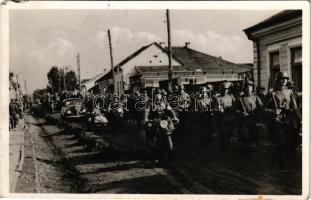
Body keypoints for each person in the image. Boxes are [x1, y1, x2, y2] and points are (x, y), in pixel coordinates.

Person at [265, 71, 302, 169]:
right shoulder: (272, 93)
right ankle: (282, 166)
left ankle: (274, 158)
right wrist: (273, 111)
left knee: (287, 144)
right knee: (282, 143)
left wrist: (300, 119)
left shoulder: (289, 92)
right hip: (276, 121)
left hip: (288, 121)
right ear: (278, 80)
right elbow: (264, 109)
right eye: (282, 79)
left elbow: (295, 107)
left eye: (285, 79)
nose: (284, 81)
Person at [236, 80, 263, 157]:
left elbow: (261, 108)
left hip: (254, 119)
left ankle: (249, 153)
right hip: (244, 121)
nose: (249, 88)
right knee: (245, 138)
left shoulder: (256, 97)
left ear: (252, 88)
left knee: (253, 136)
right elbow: (235, 110)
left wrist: (258, 113)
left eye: (250, 87)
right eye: (247, 87)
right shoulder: (240, 98)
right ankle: (244, 154)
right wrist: (241, 113)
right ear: (244, 88)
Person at [213, 81, 236, 151]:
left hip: (231, 118)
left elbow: (235, 106)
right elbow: (215, 109)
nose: (225, 90)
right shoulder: (218, 98)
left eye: (226, 89)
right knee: (224, 133)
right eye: (224, 89)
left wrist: (231, 108)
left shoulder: (231, 97)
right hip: (222, 119)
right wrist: (218, 110)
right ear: (221, 89)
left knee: (229, 133)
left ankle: (226, 145)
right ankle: (225, 147)